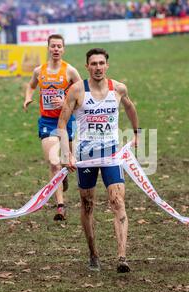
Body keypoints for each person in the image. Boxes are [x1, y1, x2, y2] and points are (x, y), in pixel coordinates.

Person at [57, 48, 140, 273]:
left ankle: (122, 256)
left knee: (117, 202)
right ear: (87, 67)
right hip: (85, 158)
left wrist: (136, 132)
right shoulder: (77, 91)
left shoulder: (118, 89)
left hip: (111, 156)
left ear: (107, 65)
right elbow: (62, 124)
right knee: (87, 205)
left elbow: (130, 107)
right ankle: (93, 253)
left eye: (101, 63)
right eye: (93, 64)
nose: (98, 67)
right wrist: (67, 154)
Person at [23, 34, 81, 221]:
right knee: (54, 163)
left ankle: (63, 179)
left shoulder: (70, 71)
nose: (56, 49)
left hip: (66, 122)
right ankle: (60, 206)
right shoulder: (39, 71)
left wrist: (65, 101)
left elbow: (82, 94)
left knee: (66, 162)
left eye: (59, 46)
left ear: (63, 49)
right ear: (48, 48)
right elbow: (31, 86)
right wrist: (27, 97)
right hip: (47, 122)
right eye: (53, 46)